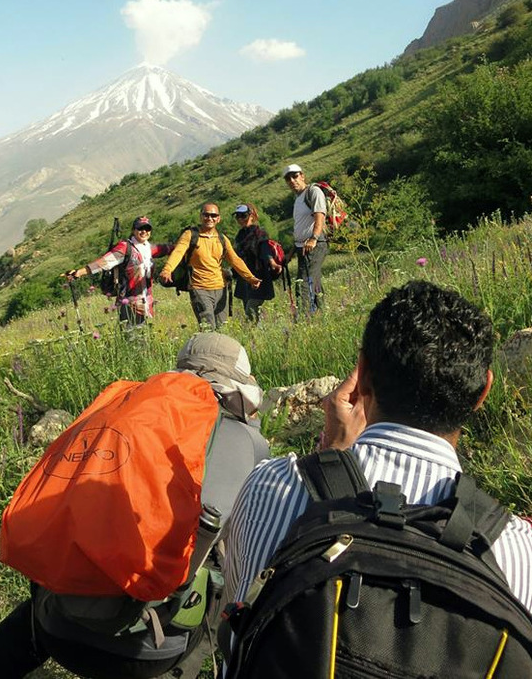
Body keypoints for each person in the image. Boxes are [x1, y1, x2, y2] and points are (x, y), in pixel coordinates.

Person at [224, 280, 532, 649]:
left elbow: (238, 626)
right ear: (482, 393)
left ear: (362, 375)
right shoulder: (517, 551)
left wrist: (329, 458)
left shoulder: (268, 486)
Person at [0, 333, 271, 679]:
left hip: (54, 626)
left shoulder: (124, 408)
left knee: (65, 586)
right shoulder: (244, 440)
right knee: (241, 579)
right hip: (147, 652)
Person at [159, 203, 261, 330]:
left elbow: (235, 260)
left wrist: (251, 278)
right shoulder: (190, 235)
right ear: (200, 216)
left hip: (221, 288)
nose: (209, 218)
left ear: (218, 218)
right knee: (208, 327)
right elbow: (178, 252)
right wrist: (167, 270)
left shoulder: (222, 239)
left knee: (222, 329)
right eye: (206, 215)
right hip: (199, 288)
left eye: (213, 215)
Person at [67, 216, 173, 327]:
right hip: (129, 303)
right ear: (133, 230)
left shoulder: (148, 248)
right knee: (132, 338)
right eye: (140, 228)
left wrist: (183, 246)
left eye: (147, 229)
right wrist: (79, 272)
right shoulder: (125, 247)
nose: (144, 232)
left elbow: (165, 249)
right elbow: (103, 262)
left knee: (142, 337)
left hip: (145, 303)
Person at [282, 163, 328, 314]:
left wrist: (314, 238)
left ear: (302, 176)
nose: (292, 181)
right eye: (288, 179)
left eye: (295, 176)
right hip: (303, 246)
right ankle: (321, 315)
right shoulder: (298, 199)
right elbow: (301, 228)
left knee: (303, 282)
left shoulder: (313, 191)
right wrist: (290, 254)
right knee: (313, 281)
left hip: (315, 244)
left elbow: (319, 215)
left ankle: (304, 319)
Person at [232, 203, 282, 322]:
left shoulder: (260, 233)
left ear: (251, 215)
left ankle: (258, 330)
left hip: (258, 275)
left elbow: (266, 250)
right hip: (244, 277)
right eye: (237, 216)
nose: (240, 219)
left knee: (251, 308)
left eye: (243, 215)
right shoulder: (239, 236)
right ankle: (256, 333)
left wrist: (272, 263)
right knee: (248, 309)